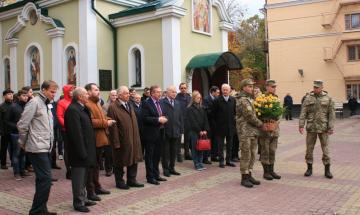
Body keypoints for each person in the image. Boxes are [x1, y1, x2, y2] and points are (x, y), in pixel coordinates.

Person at [17, 80, 58, 215]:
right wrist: (23, 143)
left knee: (42, 180)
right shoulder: (34, 102)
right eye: (52, 91)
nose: (54, 94)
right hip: (36, 147)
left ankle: (41, 209)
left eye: (55, 91)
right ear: (44, 90)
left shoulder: (47, 104)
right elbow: (22, 124)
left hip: (45, 146)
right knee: (46, 180)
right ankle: (36, 211)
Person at [65, 87, 97, 213]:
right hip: (79, 152)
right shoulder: (73, 110)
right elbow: (76, 134)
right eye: (85, 94)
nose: (88, 96)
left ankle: (83, 198)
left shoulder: (82, 108)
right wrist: (82, 152)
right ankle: (78, 203)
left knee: (84, 177)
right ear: (79, 97)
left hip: (86, 149)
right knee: (78, 178)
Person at [107, 86, 144, 190]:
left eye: (128, 93)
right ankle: (119, 181)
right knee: (120, 161)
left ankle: (132, 180)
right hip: (122, 139)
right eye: (126, 93)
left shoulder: (129, 104)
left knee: (134, 159)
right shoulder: (113, 107)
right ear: (119, 95)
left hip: (133, 138)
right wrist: (116, 142)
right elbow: (113, 127)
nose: (129, 95)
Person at [299, 80, 335, 179]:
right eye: (314, 87)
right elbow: (303, 113)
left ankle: (327, 170)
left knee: (325, 149)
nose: (315, 89)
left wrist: (331, 127)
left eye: (317, 87)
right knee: (309, 149)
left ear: (322, 87)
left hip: (324, 128)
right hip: (311, 127)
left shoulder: (328, 98)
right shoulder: (308, 98)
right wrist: (301, 125)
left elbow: (331, 114)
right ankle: (309, 168)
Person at [84, 83, 112, 201]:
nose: (98, 91)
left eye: (98, 89)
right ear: (88, 92)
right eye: (95, 90)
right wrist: (106, 123)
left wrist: (109, 120)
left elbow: (102, 117)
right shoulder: (87, 104)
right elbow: (90, 122)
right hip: (93, 140)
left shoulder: (97, 103)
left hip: (101, 139)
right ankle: (90, 190)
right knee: (91, 167)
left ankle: (97, 186)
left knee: (96, 166)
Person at [235, 79, 264, 188]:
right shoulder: (242, 100)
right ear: (243, 87)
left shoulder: (250, 99)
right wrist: (261, 124)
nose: (252, 88)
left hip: (252, 131)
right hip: (245, 131)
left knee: (252, 154)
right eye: (249, 86)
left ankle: (249, 173)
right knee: (246, 154)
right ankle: (244, 176)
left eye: (252, 86)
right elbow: (249, 116)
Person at [141, 85, 168, 185]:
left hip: (160, 132)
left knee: (157, 155)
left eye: (160, 92)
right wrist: (157, 119)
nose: (160, 94)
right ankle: (150, 177)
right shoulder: (146, 103)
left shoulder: (160, 102)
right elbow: (144, 118)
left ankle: (156, 175)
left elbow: (163, 113)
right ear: (152, 93)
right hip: (150, 134)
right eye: (157, 92)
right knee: (150, 156)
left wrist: (165, 118)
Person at [259, 80, 281, 181]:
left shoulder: (276, 98)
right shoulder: (261, 98)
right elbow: (259, 113)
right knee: (265, 151)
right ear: (267, 87)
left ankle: (272, 170)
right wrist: (265, 123)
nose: (274, 88)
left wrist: (276, 122)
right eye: (272, 86)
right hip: (265, 130)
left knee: (272, 150)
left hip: (275, 130)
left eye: (275, 87)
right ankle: (266, 172)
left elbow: (280, 113)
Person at [5, 90, 29, 180]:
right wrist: (17, 127)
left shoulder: (27, 106)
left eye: (26, 96)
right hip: (16, 133)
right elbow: (6, 120)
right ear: (18, 96)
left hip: (25, 133)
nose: (26, 97)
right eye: (23, 95)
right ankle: (17, 173)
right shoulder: (13, 107)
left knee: (23, 154)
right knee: (16, 154)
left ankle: (22, 171)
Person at [211, 84, 236, 168]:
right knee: (220, 146)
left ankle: (228, 160)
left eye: (227, 90)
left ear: (230, 91)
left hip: (230, 127)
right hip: (220, 128)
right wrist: (216, 126)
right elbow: (213, 115)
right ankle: (221, 161)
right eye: (224, 90)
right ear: (221, 90)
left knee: (230, 145)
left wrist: (234, 125)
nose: (225, 91)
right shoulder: (217, 100)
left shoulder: (233, 100)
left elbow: (235, 113)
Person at [161, 86, 183, 177]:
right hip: (166, 131)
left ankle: (172, 168)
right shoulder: (162, 102)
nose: (174, 94)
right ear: (167, 92)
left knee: (173, 151)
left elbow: (180, 117)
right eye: (172, 92)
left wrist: (181, 129)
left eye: (175, 92)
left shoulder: (177, 103)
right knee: (165, 152)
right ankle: (165, 169)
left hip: (176, 131)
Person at [186, 91, 209, 171]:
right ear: (193, 98)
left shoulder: (202, 108)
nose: (199, 99)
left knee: (201, 147)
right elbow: (192, 121)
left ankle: (200, 162)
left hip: (202, 131)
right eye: (197, 98)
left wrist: (205, 130)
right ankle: (196, 163)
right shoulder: (190, 109)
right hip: (194, 131)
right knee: (195, 147)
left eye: (200, 98)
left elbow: (205, 119)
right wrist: (199, 130)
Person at [56, 84, 75, 179]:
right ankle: (69, 170)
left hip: (76, 129)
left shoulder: (75, 101)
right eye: (71, 90)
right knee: (68, 150)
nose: (73, 92)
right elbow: (59, 116)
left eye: (74, 90)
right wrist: (68, 126)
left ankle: (75, 168)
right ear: (66, 92)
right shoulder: (61, 102)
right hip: (66, 130)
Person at [202, 86, 220, 164]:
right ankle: (205, 158)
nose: (218, 94)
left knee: (215, 140)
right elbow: (205, 110)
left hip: (215, 123)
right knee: (208, 140)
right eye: (217, 92)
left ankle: (214, 156)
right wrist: (214, 112)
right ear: (213, 92)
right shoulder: (206, 99)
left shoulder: (217, 99)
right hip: (208, 123)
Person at [175, 83, 192, 160]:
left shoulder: (189, 97)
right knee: (178, 138)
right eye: (182, 88)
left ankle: (187, 154)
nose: (183, 89)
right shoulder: (176, 97)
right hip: (179, 120)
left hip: (188, 120)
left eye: (185, 88)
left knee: (187, 138)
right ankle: (178, 155)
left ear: (187, 88)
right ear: (179, 89)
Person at [0, 89, 14, 169]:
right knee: (4, 148)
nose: (11, 95)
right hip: (5, 130)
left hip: (13, 130)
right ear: (4, 96)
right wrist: (1, 131)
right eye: (9, 94)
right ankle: (3, 163)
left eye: (12, 94)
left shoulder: (14, 105)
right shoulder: (2, 106)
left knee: (13, 147)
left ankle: (13, 162)